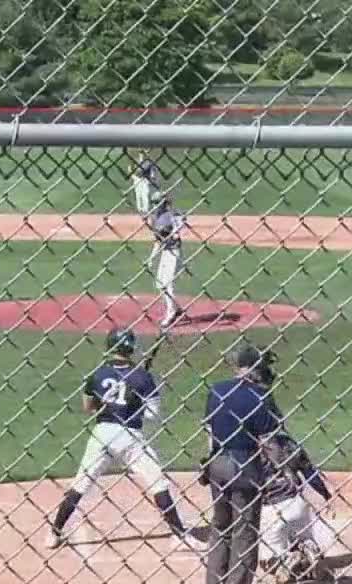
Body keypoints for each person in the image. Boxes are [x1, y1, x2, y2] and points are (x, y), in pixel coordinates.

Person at [47, 328, 204, 551]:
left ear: (110, 347)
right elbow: (152, 415)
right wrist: (134, 403)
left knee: (81, 483)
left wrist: (109, 403)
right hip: (131, 436)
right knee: (157, 482)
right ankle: (179, 534)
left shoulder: (98, 374)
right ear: (131, 348)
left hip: (102, 434)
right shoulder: (143, 377)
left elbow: (88, 407)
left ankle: (54, 532)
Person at [201, 344, 282, 584]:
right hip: (245, 464)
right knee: (244, 531)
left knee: (220, 526)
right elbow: (271, 441)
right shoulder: (261, 397)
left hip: (217, 463)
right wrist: (280, 470)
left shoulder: (216, 390)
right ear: (257, 368)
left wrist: (208, 463)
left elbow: (209, 433)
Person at [250, 356, 336, 584]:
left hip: (271, 509)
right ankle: (308, 550)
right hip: (298, 504)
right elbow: (309, 474)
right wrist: (327, 496)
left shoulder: (248, 450)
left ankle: (286, 560)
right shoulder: (288, 445)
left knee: (267, 562)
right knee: (305, 536)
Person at [146, 191, 186, 328]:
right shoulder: (155, 219)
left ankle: (170, 313)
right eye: (154, 203)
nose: (155, 206)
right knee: (159, 284)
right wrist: (151, 258)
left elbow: (180, 226)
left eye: (157, 203)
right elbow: (157, 241)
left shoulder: (172, 215)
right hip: (165, 252)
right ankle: (176, 309)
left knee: (168, 283)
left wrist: (175, 230)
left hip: (174, 251)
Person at [130, 150, 162, 216]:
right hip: (137, 179)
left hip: (145, 179)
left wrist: (151, 177)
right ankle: (139, 209)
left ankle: (145, 210)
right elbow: (130, 168)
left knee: (145, 194)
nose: (142, 155)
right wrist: (133, 176)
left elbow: (152, 170)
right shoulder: (136, 161)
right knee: (138, 195)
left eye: (143, 153)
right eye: (140, 153)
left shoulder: (148, 162)